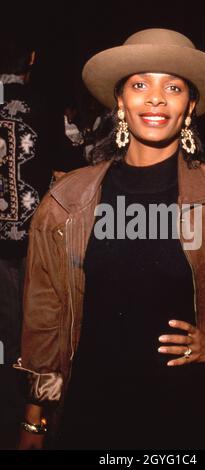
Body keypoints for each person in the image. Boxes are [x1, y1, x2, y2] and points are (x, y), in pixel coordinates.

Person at [17, 29, 205, 450]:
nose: (155, 98)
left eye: (173, 86)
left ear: (191, 106)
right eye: (139, 84)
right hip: (91, 403)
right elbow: (46, 315)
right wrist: (35, 419)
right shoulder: (68, 199)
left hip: (188, 408)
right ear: (119, 101)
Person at [0, 36, 55, 446]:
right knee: (34, 328)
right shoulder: (44, 104)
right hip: (35, 241)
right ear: (31, 60)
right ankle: (31, 411)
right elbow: (72, 165)